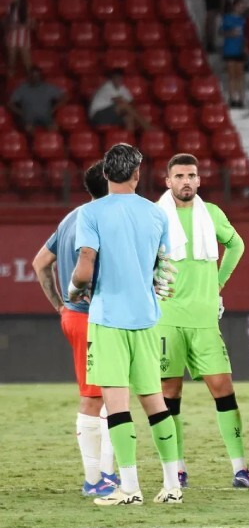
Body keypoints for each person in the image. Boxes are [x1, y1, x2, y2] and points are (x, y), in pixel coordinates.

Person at [68, 143, 182, 506]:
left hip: (109, 318)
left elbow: (86, 261)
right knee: (155, 402)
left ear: (104, 174)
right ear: (137, 174)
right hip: (147, 318)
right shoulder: (156, 214)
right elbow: (165, 268)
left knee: (117, 404)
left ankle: (130, 487)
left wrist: (74, 290)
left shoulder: (91, 212)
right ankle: (171, 484)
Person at [154, 154, 249, 489]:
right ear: (167, 181)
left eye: (191, 175)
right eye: (179, 175)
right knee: (169, 393)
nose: (186, 181)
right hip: (166, 318)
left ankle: (241, 469)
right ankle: (177, 469)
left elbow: (237, 244)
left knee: (223, 389)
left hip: (203, 320)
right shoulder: (155, 216)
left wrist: (218, 282)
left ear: (199, 180)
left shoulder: (210, 213)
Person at [31, 162, 117, 497]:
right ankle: (94, 478)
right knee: (94, 397)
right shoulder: (101, 221)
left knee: (109, 395)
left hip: (76, 315)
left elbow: (40, 263)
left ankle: (107, 474)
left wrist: (59, 305)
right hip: (91, 317)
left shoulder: (72, 217)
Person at [8, 67, 65, 131]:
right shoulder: (22, 89)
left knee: (55, 128)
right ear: (29, 77)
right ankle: (34, 140)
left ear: (41, 76)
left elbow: (64, 97)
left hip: (46, 116)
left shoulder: (48, 87)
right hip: (29, 118)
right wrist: (21, 112)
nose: (35, 78)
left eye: (37, 76)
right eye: (33, 76)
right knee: (28, 129)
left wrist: (53, 109)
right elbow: (10, 103)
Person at [221, 0, 248, 108]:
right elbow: (221, 32)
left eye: (243, 6)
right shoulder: (227, 18)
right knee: (232, 75)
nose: (241, 8)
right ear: (235, 6)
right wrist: (229, 33)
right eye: (240, 6)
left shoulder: (244, 20)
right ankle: (233, 98)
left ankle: (241, 98)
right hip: (229, 49)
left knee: (239, 75)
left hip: (240, 49)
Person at [5, 0, 34, 76]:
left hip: (23, 38)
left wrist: (18, 25)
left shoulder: (28, 7)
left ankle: (32, 82)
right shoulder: (10, 7)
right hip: (11, 37)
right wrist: (11, 26)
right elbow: (8, 23)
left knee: (27, 63)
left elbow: (32, 24)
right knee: (11, 62)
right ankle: (10, 82)